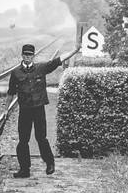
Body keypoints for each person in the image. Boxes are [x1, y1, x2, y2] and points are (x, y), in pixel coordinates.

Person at [6, 42, 76, 177]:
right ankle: (24, 170)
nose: (27, 57)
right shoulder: (15, 73)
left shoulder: (41, 68)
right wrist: (5, 110)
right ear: (22, 55)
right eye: (25, 54)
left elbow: (58, 60)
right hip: (25, 110)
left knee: (41, 138)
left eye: (30, 55)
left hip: (38, 109)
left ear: (33, 56)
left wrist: (75, 50)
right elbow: (10, 92)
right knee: (23, 140)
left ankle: (50, 163)